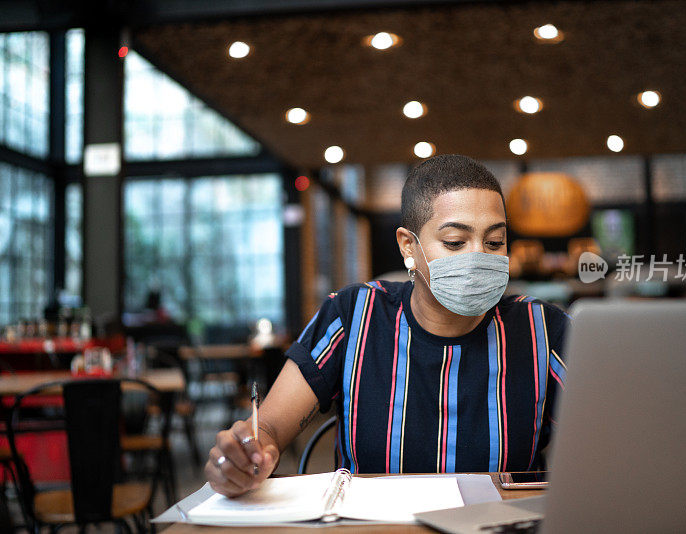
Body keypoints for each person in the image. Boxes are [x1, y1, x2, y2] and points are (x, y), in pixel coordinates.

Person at [205, 154, 570, 497]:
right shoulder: (353, 316)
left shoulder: (543, 330)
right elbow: (267, 429)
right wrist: (244, 454)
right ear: (409, 247)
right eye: (455, 242)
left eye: (495, 241)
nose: (478, 257)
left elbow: (616, 438)